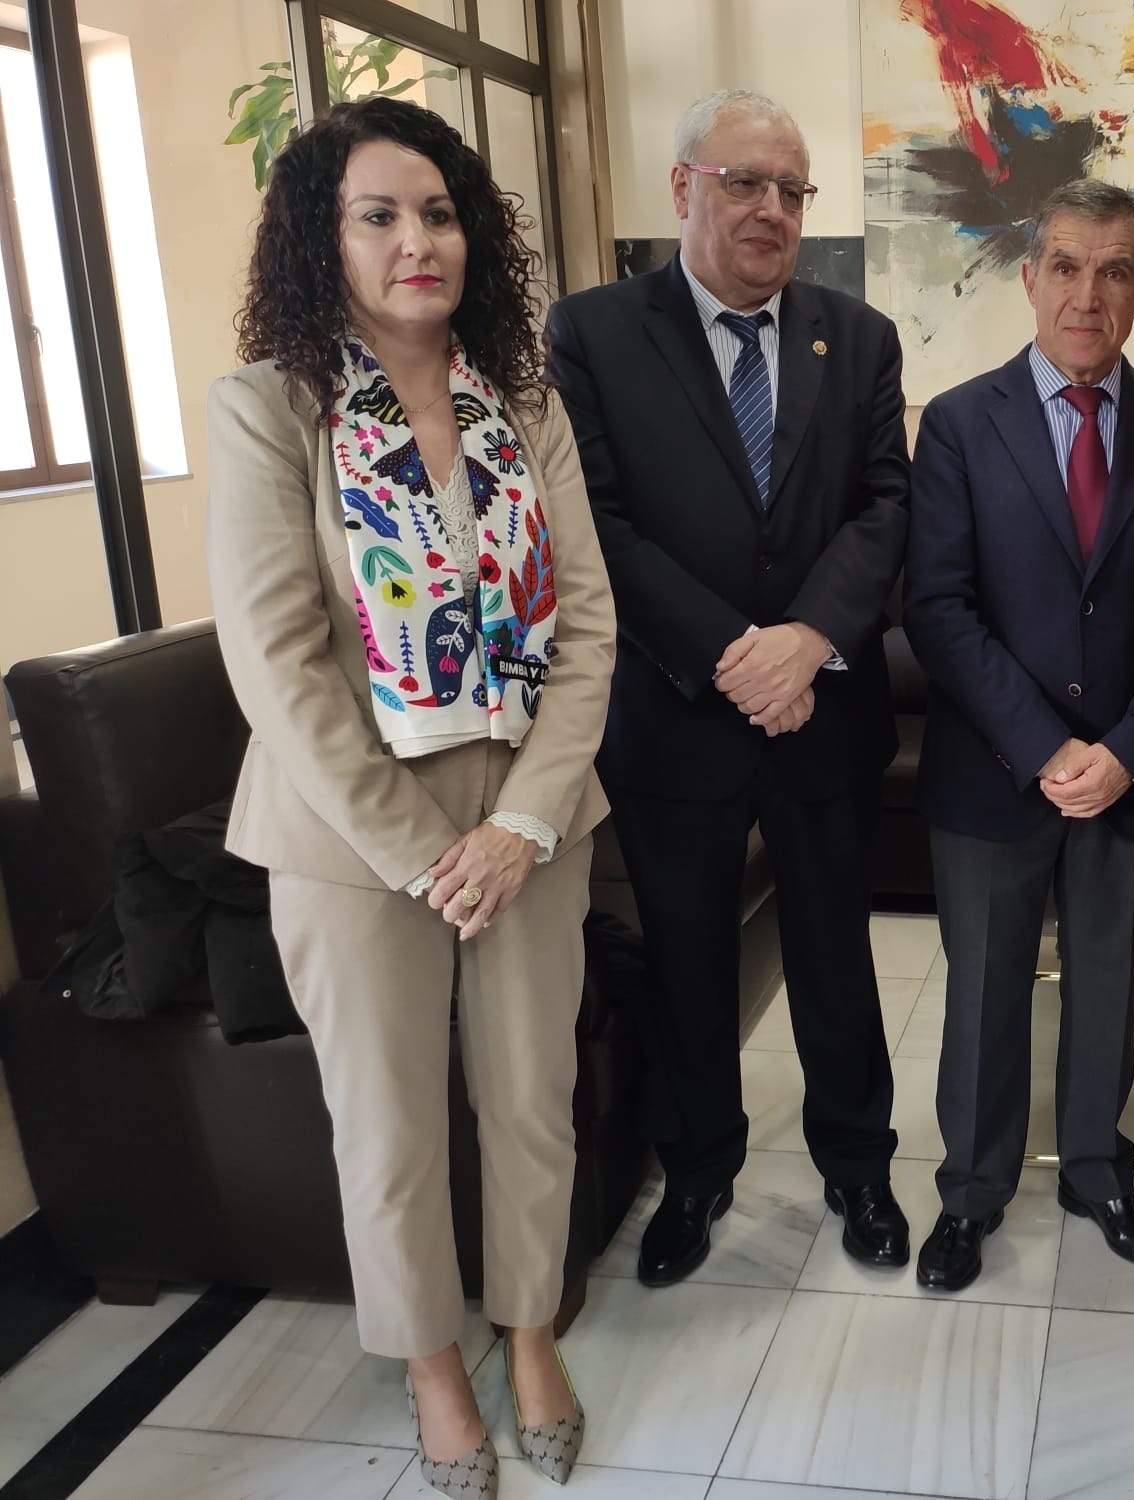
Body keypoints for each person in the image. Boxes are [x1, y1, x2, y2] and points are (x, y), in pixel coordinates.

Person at [210, 97, 615, 1497]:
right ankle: (436, 1370)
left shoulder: (530, 405)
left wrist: (520, 822)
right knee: (386, 1127)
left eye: (437, 212)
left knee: (531, 1100)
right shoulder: (274, 408)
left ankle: (529, 1330)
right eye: (376, 214)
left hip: (531, 816)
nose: (415, 239)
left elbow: (590, 636)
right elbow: (278, 659)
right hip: (346, 831)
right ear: (325, 242)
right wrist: (422, 850)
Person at [544, 90, 912, 1283]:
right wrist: (729, 655)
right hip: (673, 717)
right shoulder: (592, 334)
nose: (770, 210)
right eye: (744, 183)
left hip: (820, 713)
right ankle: (696, 1175)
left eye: (791, 190)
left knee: (833, 962)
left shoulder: (855, 338)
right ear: (683, 188)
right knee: (692, 961)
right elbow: (593, 524)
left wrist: (804, 640)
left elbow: (882, 509)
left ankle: (858, 1167)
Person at [902, 178, 1134, 1292]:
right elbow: (936, 606)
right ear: (1029, 277)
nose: (1088, 294)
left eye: (1114, 270)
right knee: (983, 995)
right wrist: (1046, 749)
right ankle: (972, 1193)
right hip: (995, 771)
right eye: (1067, 267)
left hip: (1128, 776)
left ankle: (1095, 1170)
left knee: (1106, 986)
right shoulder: (954, 424)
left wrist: (1124, 750)